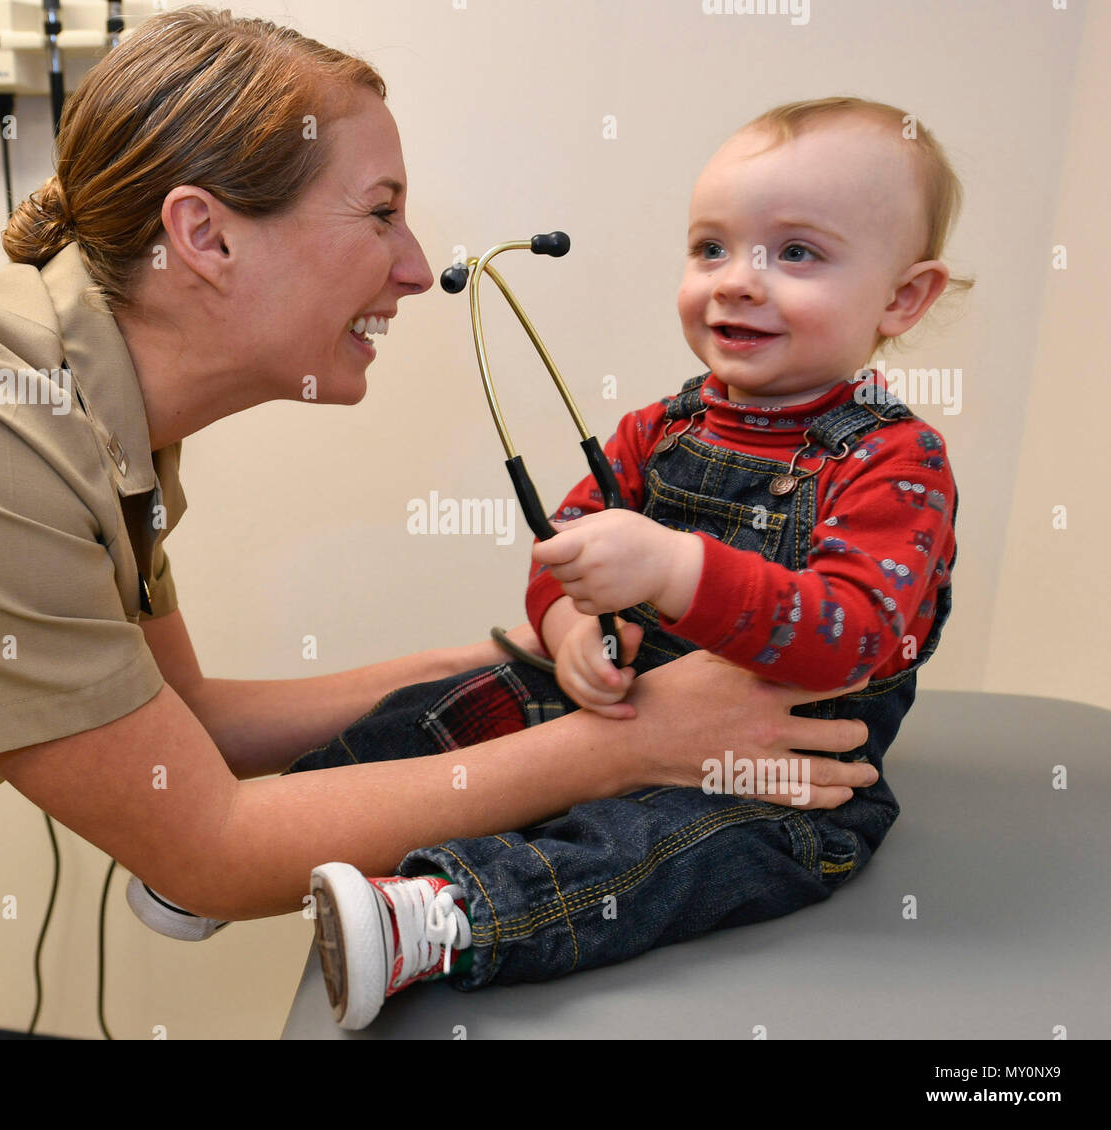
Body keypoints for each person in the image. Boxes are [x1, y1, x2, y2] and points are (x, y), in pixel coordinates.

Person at [0, 10, 876, 1039]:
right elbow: (206, 847)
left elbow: (186, 718)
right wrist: (636, 743)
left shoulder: (93, 410)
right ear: (205, 234)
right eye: (379, 213)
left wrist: (517, 665)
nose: (416, 267)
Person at [298, 96, 967, 1029]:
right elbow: (563, 550)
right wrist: (569, 628)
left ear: (904, 297)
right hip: (621, 709)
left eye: (798, 253)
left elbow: (847, 638)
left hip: (776, 778)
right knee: (452, 708)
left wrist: (675, 571)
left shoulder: (897, 464)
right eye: (711, 249)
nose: (737, 281)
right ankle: (273, 837)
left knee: (651, 851)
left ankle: (442, 919)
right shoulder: (660, 427)